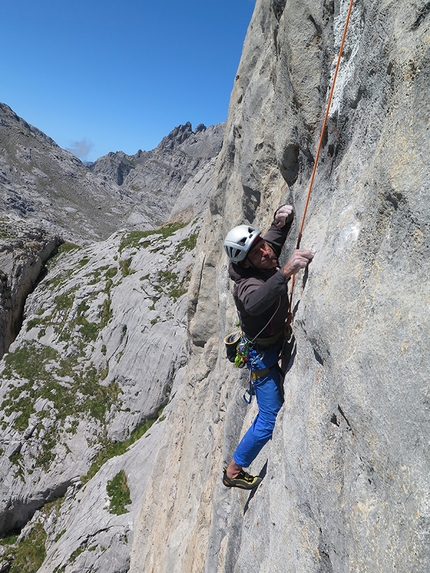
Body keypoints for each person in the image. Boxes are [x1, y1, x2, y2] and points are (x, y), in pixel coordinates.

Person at [222, 205, 314, 490]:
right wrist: (286, 271)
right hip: (262, 357)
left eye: (262, 245)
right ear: (246, 263)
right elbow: (255, 301)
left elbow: (274, 238)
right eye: (258, 252)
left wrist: (280, 220)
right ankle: (234, 471)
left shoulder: (258, 254)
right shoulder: (245, 286)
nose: (267, 253)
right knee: (268, 418)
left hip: (270, 346)